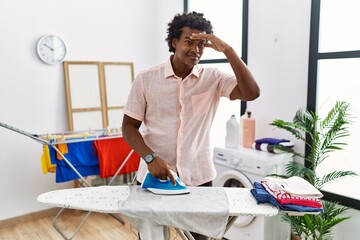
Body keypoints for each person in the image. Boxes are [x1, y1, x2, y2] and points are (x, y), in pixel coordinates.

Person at [122, 11, 260, 240]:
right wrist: (149, 158)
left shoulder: (213, 78)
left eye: (201, 44)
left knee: (199, 237)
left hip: (199, 177)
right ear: (174, 42)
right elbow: (128, 127)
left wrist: (228, 50)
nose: (196, 50)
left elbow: (251, 93)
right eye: (189, 42)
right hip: (154, 176)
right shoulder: (146, 78)